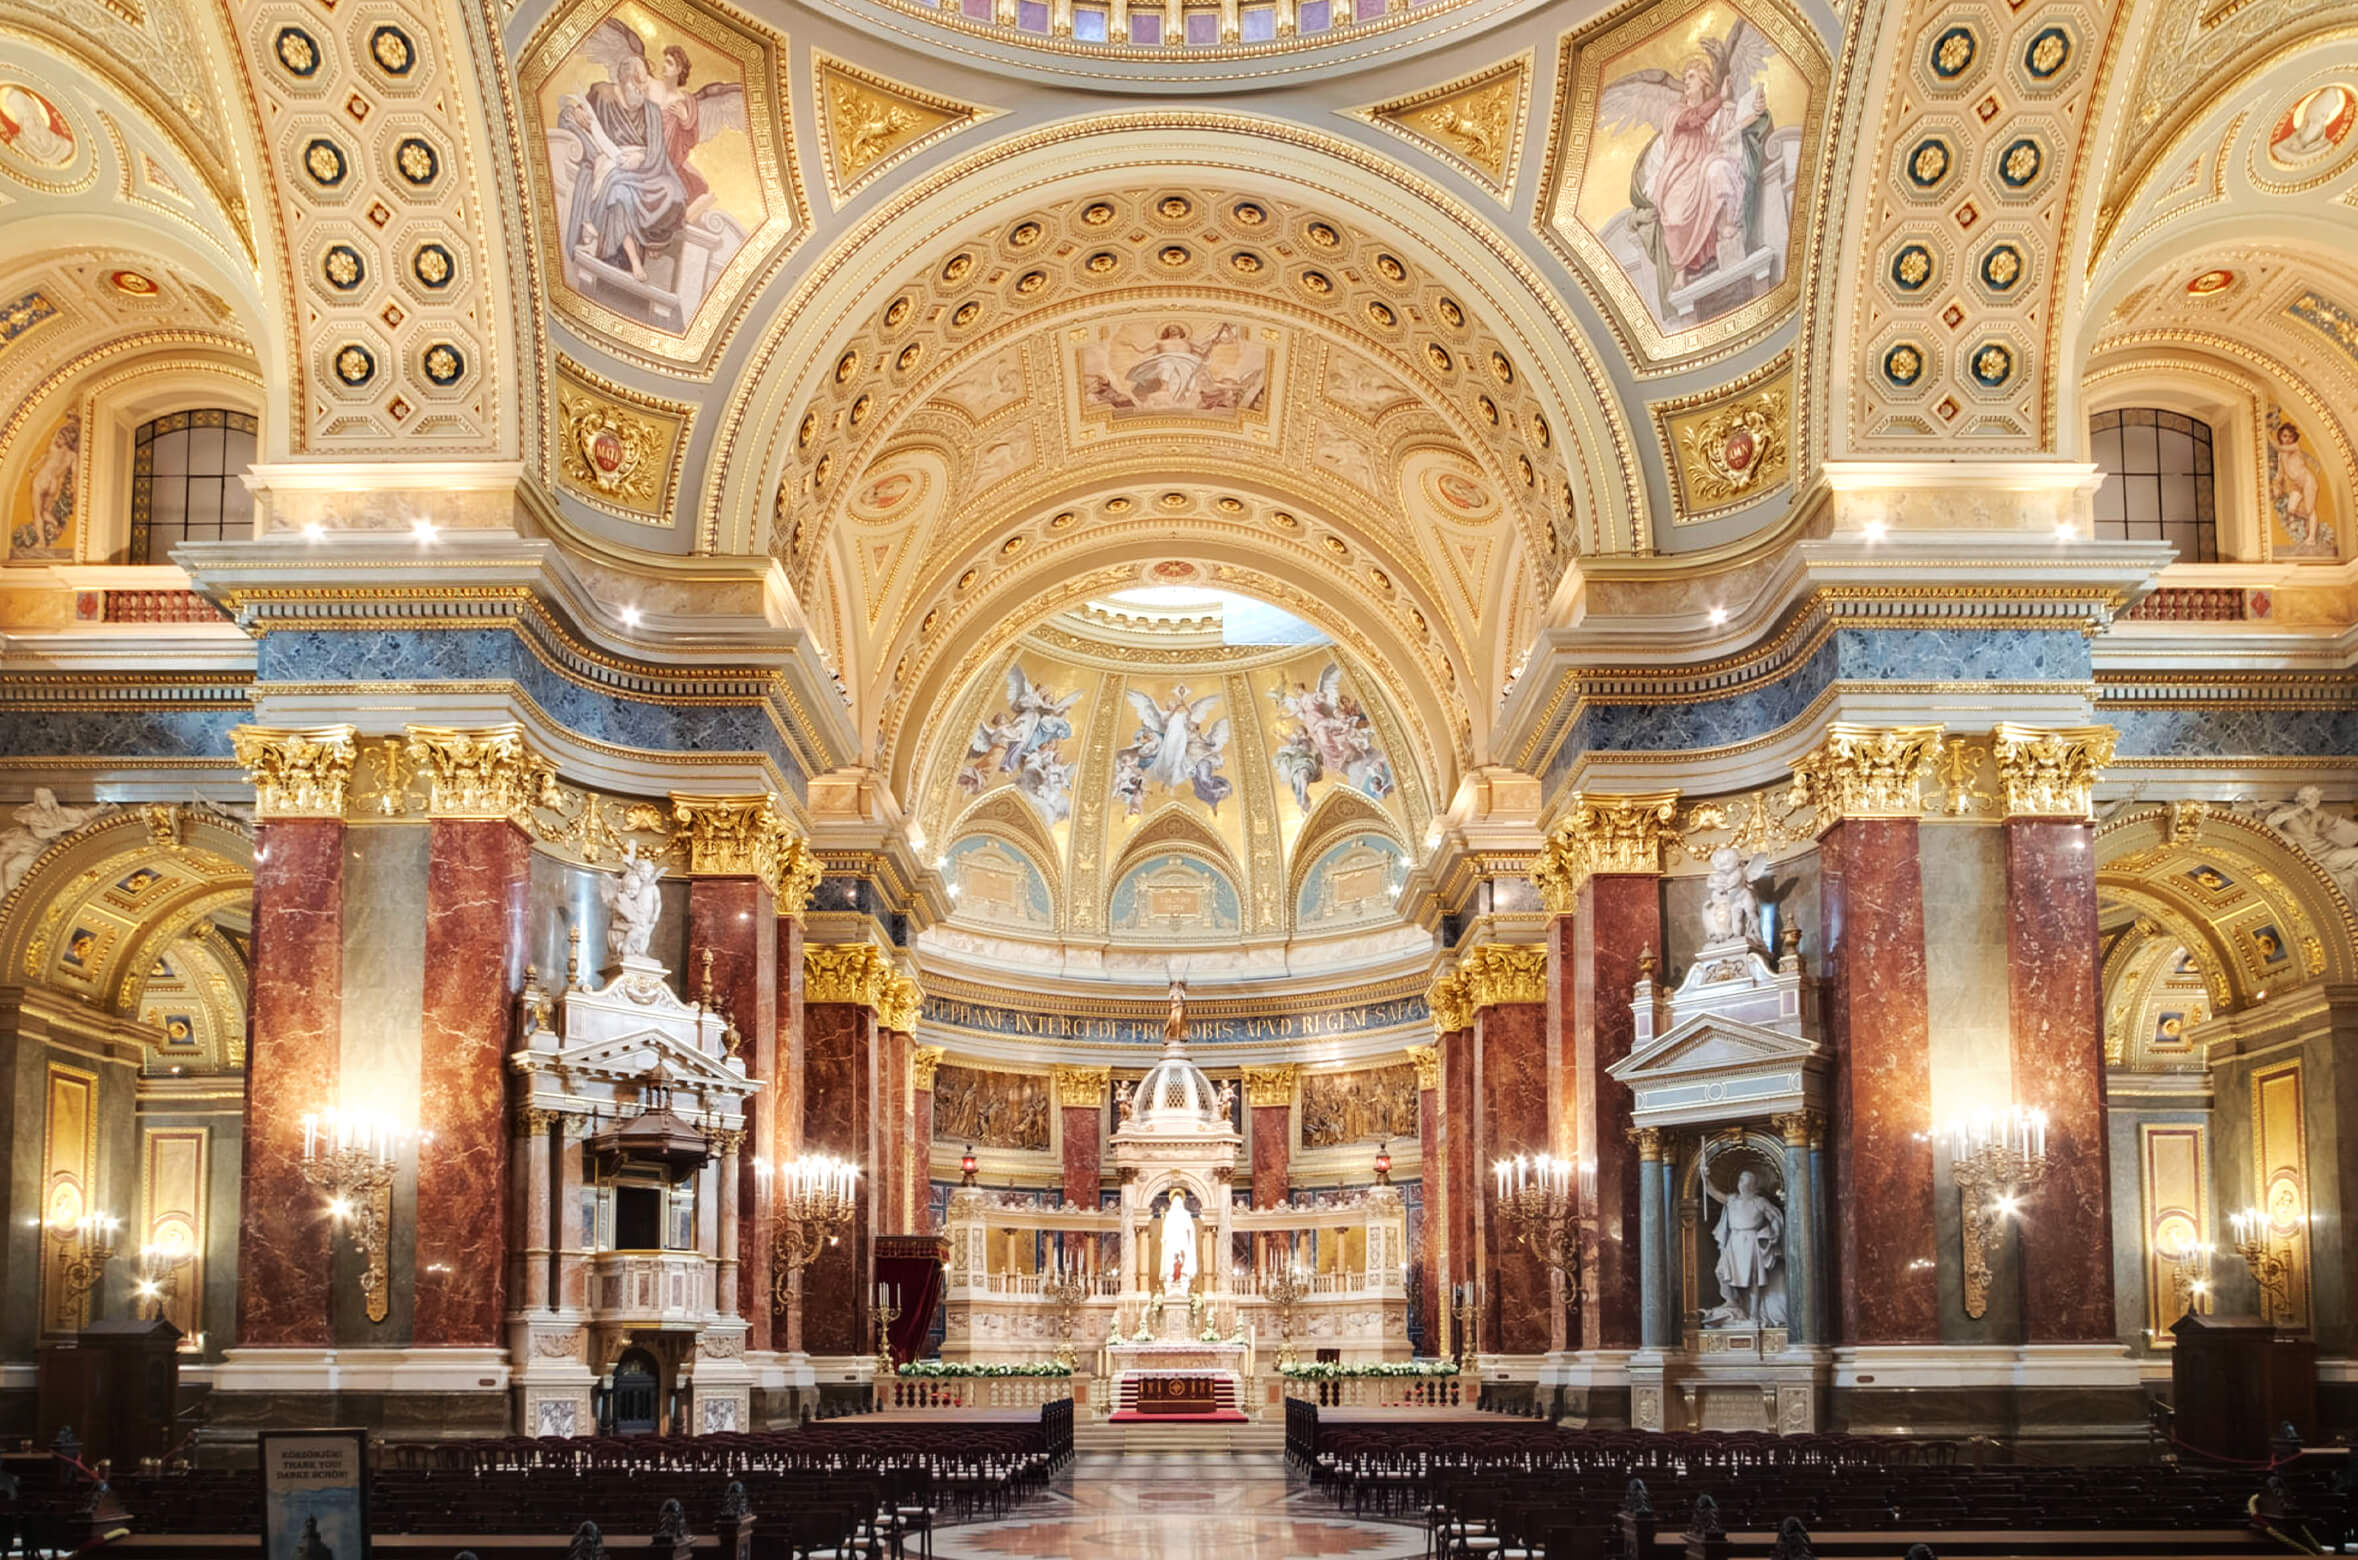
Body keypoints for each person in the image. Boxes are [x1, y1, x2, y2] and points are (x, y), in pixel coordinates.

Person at [1703, 1167, 1784, 1323]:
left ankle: (1754, 1314)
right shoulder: (1732, 1199)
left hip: (1751, 1240)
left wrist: (1773, 1231)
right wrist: (1705, 1177)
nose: (1739, 1183)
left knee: (1753, 1278)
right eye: (1739, 1179)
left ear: (1752, 1184)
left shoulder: (1759, 1202)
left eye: (1743, 1179)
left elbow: (1774, 1217)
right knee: (1720, 1271)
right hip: (1734, 1241)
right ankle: (1731, 1301)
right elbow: (1713, 1193)